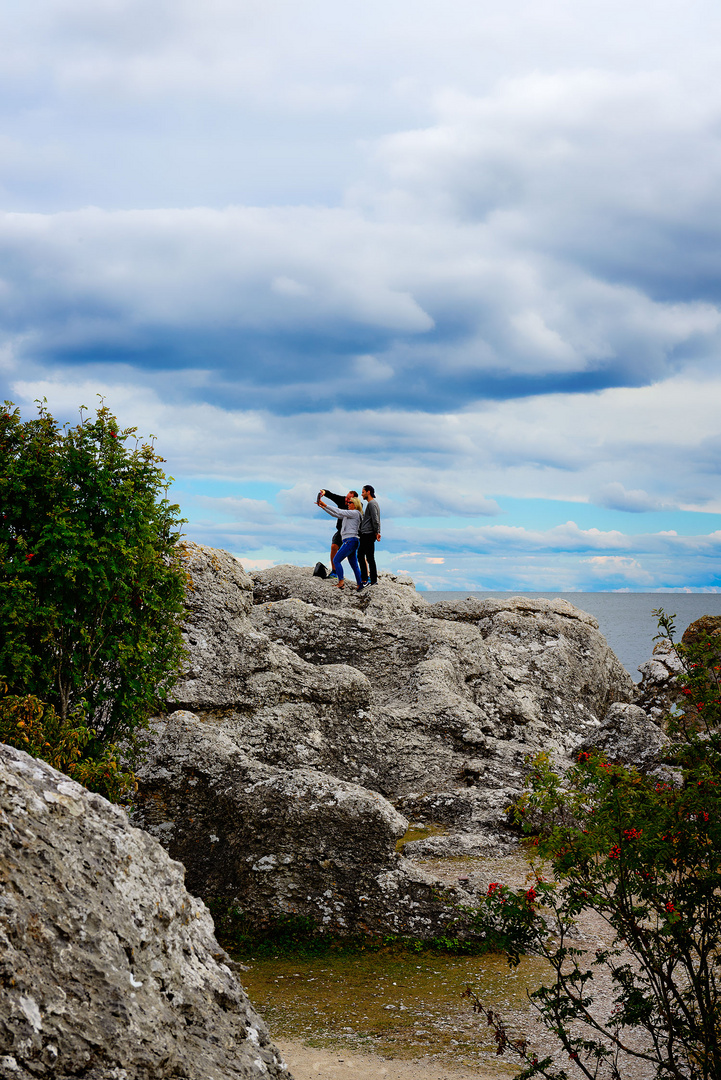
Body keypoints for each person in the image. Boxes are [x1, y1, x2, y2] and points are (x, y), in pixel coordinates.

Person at [316, 491, 363, 590]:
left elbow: (339, 511)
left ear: (355, 505)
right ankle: (359, 585)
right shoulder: (350, 514)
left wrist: (325, 504)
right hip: (352, 541)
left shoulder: (354, 513)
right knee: (354, 564)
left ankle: (341, 582)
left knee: (336, 560)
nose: (348, 504)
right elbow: (335, 514)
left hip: (350, 541)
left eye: (350, 503)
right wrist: (323, 507)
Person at [318, 488, 356, 578]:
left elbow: (340, 513)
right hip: (340, 531)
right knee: (334, 546)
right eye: (346, 498)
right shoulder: (342, 500)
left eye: (349, 499)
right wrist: (324, 492)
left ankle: (367, 575)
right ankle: (334, 571)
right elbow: (332, 495)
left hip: (352, 533)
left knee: (358, 554)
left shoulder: (357, 507)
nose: (346, 500)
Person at [358, 485, 381, 587]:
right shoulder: (372, 504)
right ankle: (371, 580)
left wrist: (377, 532)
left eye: (363, 492)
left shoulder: (372, 504)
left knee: (364, 556)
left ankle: (367, 580)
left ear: (368, 492)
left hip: (368, 534)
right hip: (368, 533)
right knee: (367, 557)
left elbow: (375, 519)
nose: (361, 494)